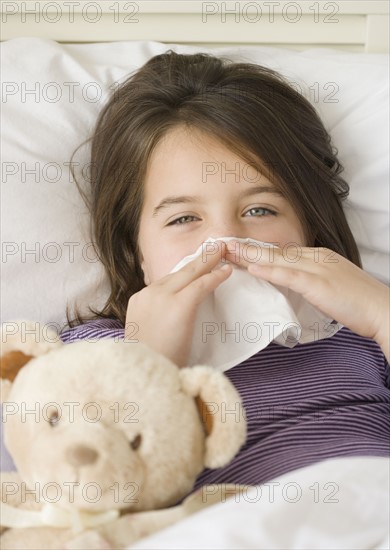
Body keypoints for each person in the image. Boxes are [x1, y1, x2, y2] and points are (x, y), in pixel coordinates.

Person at [59, 50, 390, 487]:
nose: (228, 243)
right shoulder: (95, 352)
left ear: (310, 227)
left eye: (260, 209)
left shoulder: (358, 332)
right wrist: (148, 362)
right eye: (184, 219)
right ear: (136, 250)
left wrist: (381, 314)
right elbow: (80, 495)